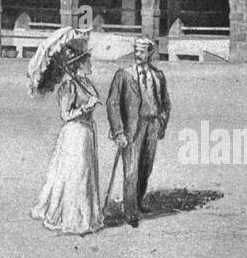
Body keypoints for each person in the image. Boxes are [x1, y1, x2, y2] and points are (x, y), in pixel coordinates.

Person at [29, 31, 103, 236]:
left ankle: (86, 216)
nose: (90, 64)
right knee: (75, 174)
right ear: (78, 65)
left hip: (87, 133)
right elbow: (66, 115)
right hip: (74, 134)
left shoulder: (86, 84)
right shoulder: (68, 86)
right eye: (86, 61)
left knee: (86, 173)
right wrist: (86, 107)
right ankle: (71, 217)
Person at [105, 36, 171, 227]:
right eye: (136, 50)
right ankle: (130, 211)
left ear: (150, 53)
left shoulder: (158, 76)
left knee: (145, 167)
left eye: (142, 51)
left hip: (152, 125)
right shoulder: (124, 74)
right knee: (131, 170)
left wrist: (162, 122)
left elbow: (165, 102)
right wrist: (118, 132)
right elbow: (113, 103)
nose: (137, 54)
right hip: (132, 128)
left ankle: (139, 202)